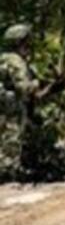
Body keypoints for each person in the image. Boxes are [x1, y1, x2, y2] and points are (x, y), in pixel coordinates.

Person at [0, 25, 35, 179]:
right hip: (12, 109)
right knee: (11, 144)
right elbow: (24, 88)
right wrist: (36, 84)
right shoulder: (16, 61)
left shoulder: (3, 58)